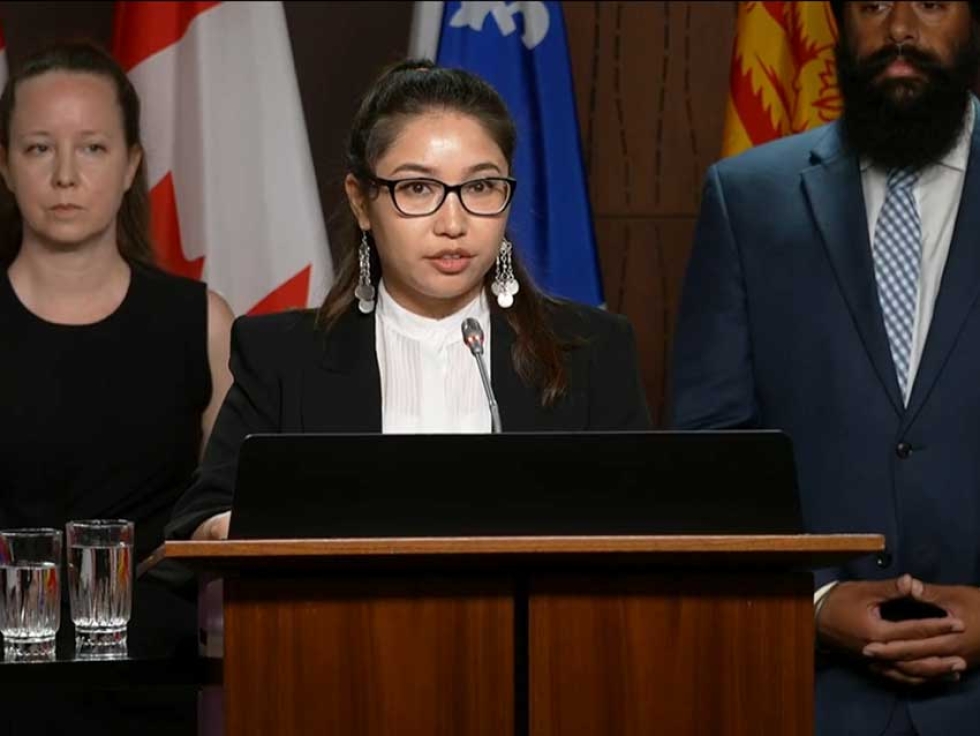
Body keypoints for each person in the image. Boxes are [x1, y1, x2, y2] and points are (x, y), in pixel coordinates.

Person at [166, 58, 651, 542]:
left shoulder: (592, 351)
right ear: (361, 202)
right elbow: (201, 520)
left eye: (480, 187)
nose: (453, 223)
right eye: (419, 188)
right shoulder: (281, 359)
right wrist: (247, 528)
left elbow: (646, 528)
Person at [670, 2, 980, 734]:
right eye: (873, 4)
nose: (900, 29)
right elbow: (712, 457)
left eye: (931, 3)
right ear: (839, 24)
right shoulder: (747, 199)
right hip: (806, 698)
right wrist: (808, 601)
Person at [0, 41, 234, 733]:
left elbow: (235, 514)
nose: (66, 175)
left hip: (158, 692)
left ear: (132, 163)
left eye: (93, 148)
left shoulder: (201, 322)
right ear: (6, 166)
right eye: (40, 148)